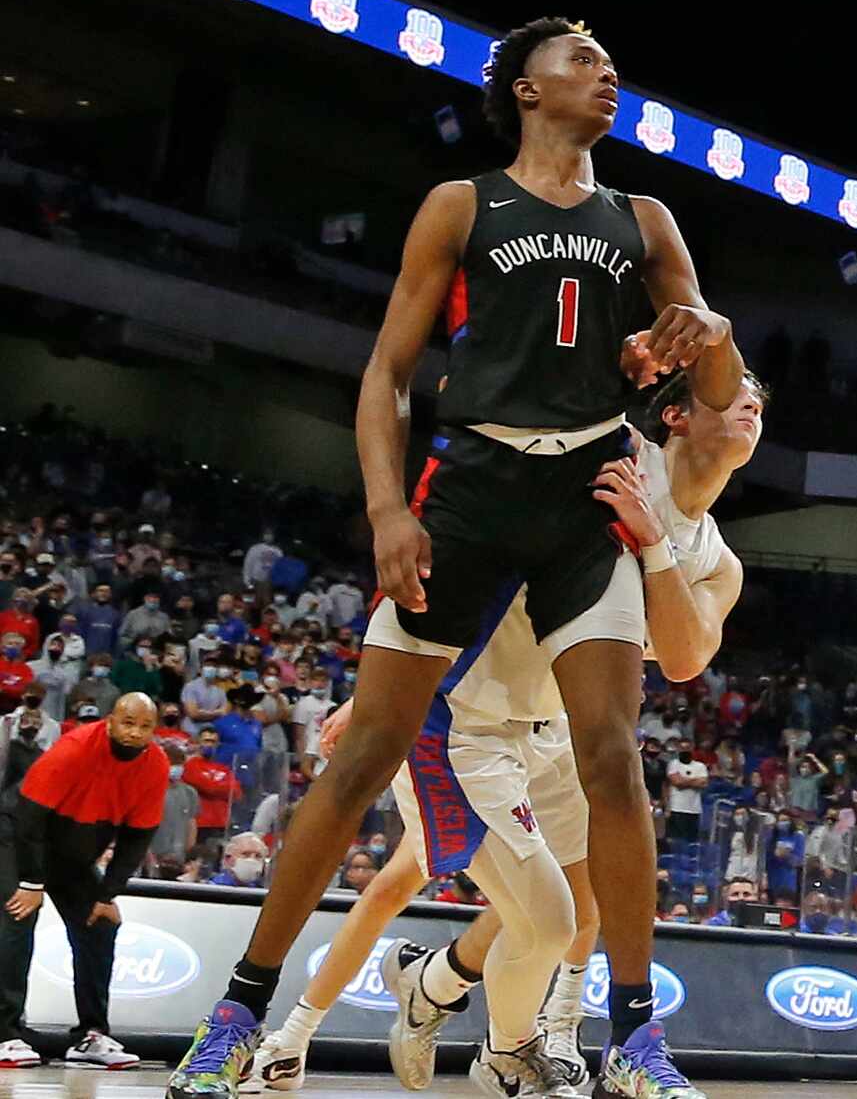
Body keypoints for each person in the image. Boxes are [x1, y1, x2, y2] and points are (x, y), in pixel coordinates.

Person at [162, 17, 741, 1099]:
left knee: (615, 759)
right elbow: (386, 375)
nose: (605, 73)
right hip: (469, 488)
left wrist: (707, 326)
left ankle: (634, 1039)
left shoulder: (646, 219)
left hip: (585, 496)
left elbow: (715, 395)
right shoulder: (462, 205)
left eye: (612, 62)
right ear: (524, 90)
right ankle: (239, 1013)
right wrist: (387, 508)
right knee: (363, 754)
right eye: (580, 60)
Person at [251, 374, 759, 1097]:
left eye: (760, 405)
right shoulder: (610, 452)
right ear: (676, 413)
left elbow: (682, 658)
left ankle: (482, 1010)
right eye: (731, 392)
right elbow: (483, 464)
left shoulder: (716, 561)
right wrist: (374, 694)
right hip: (464, 711)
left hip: (555, 727)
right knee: (417, 883)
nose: (751, 408)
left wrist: (653, 544)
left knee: (572, 905)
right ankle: (298, 1030)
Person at [0, 693, 162, 1069]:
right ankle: (6, 1034)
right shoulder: (73, 750)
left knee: (100, 925)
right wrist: (31, 883)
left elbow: (138, 836)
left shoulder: (154, 766)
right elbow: (29, 820)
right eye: (128, 723)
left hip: (76, 848)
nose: (135, 732)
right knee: (17, 917)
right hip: (21, 837)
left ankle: (91, 1035)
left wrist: (108, 893)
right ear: (110, 721)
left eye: (145, 726)